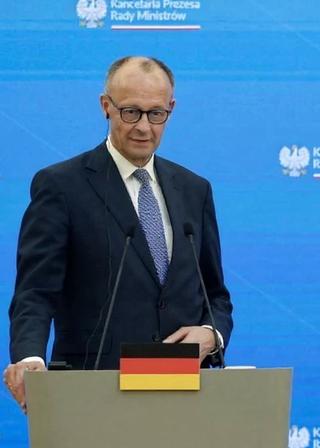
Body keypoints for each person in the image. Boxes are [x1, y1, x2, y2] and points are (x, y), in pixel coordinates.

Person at [4, 56, 233, 411]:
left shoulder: (194, 190)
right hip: (93, 392)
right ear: (105, 107)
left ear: (171, 109)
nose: (144, 127)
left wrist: (212, 334)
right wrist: (30, 357)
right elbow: (35, 292)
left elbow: (215, 295)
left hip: (183, 394)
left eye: (156, 114)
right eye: (131, 112)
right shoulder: (62, 186)